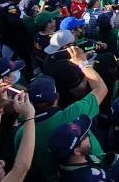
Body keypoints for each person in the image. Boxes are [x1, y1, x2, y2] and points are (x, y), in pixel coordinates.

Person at [14, 47, 107, 182]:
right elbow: (101, 88)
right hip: (94, 173)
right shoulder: (73, 114)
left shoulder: (22, 134)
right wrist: (82, 62)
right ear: (56, 97)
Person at [48, 116, 105, 182]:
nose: (89, 135)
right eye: (85, 136)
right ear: (77, 151)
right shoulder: (85, 179)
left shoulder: (83, 158)